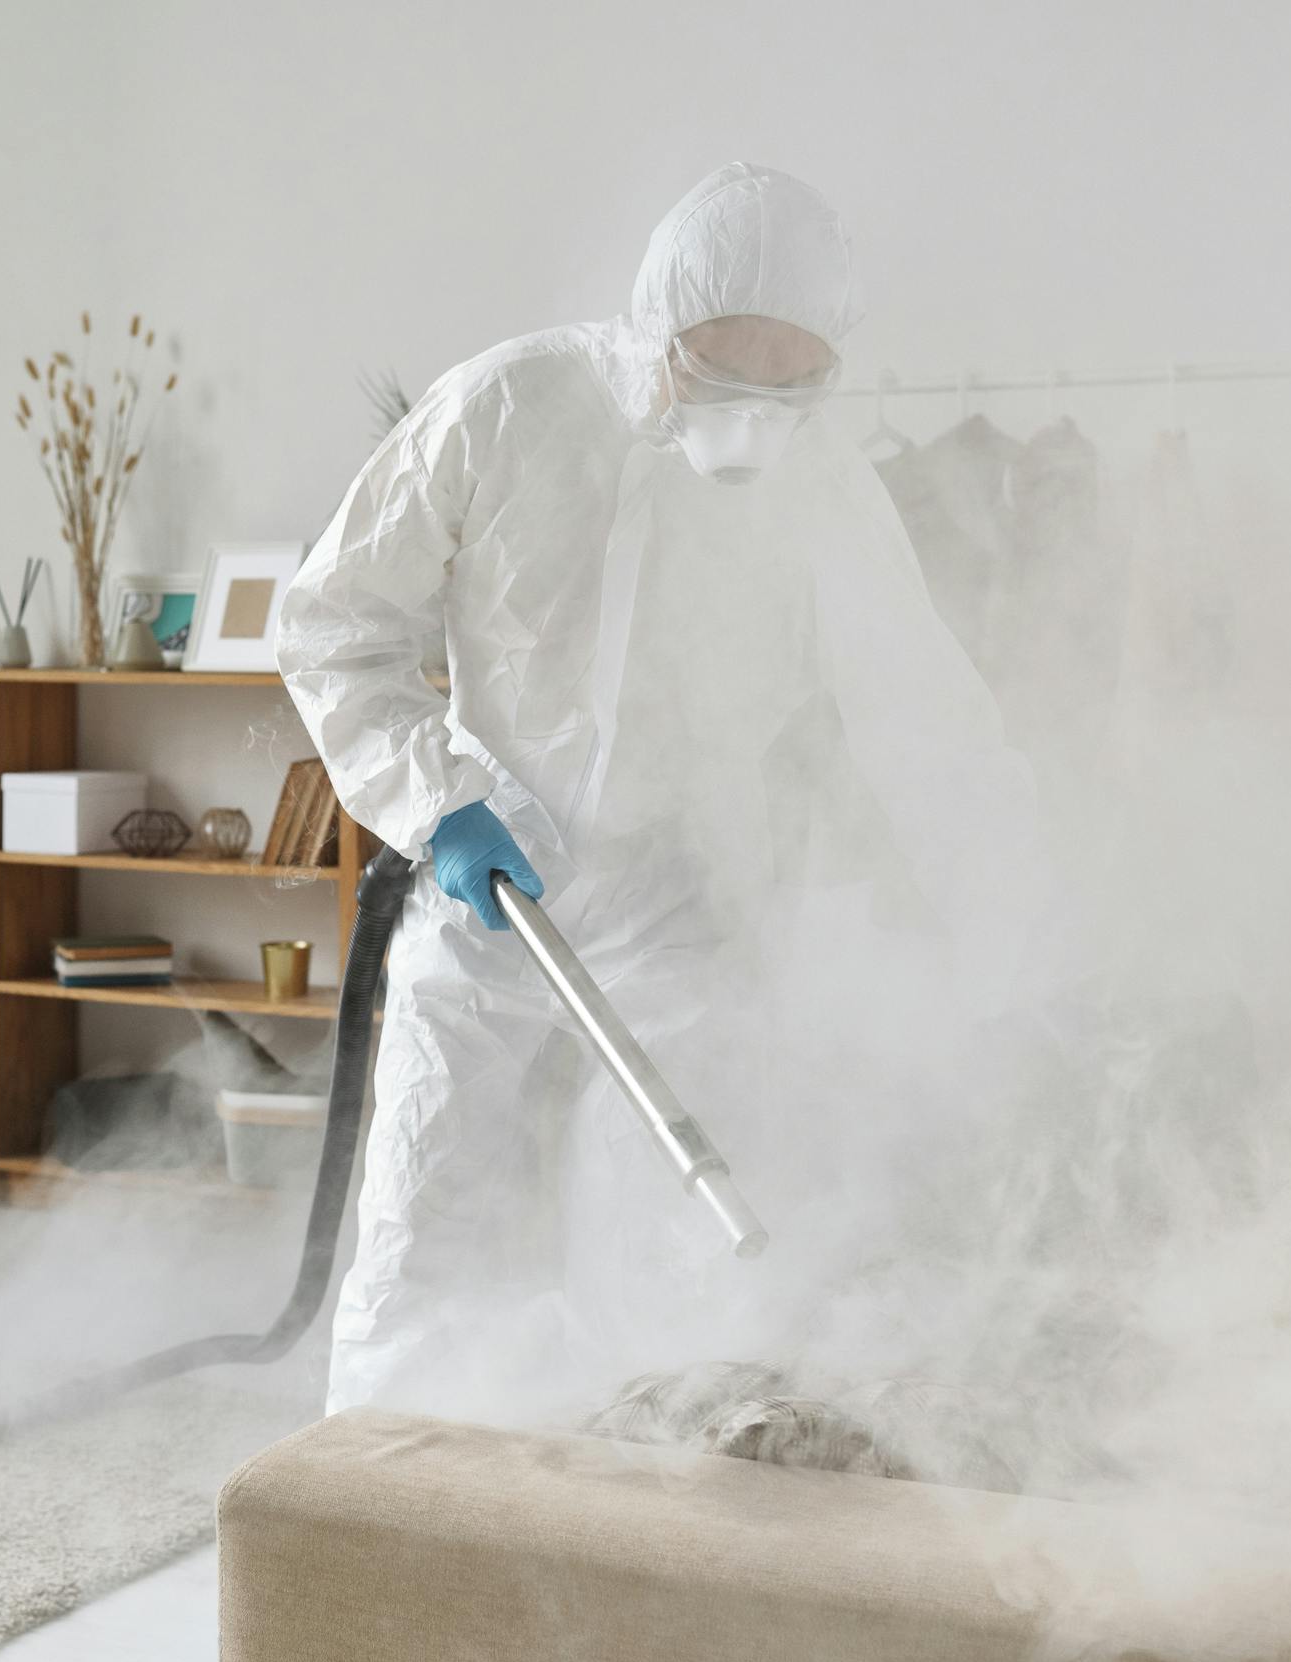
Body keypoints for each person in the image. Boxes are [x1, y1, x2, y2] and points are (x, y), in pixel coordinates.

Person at [279, 163, 1033, 1418]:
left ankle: (624, 1498)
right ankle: (370, 1487)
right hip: (490, 881)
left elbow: (929, 722)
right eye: (724, 377)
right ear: (659, 330)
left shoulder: (826, 488)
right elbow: (333, 623)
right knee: (426, 1215)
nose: (754, 421)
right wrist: (440, 799)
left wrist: (1018, 942)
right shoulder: (503, 408)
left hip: (681, 902)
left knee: (667, 1256)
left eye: (790, 389)